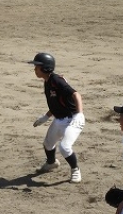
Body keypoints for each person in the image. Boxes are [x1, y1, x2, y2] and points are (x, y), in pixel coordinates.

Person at [28, 52, 84, 184]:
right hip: (59, 119)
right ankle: (51, 163)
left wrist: (79, 114)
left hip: (73, 119)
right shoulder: (47, 82)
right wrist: (46, 116)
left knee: (64, 147)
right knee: (48, 144)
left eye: (37, 67)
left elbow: (76, 95)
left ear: (45, 68)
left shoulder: (57, 80)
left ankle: (75, 170)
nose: (35, 69)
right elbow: (56, 104)